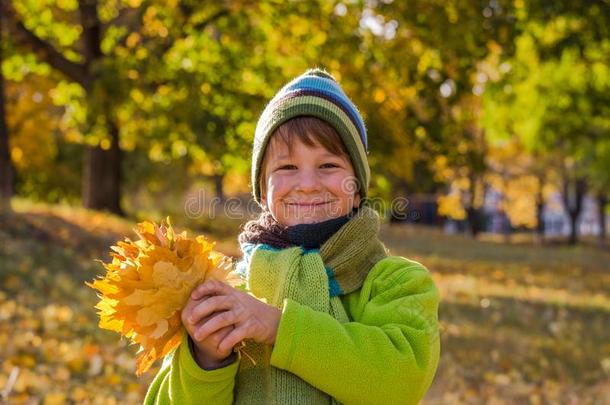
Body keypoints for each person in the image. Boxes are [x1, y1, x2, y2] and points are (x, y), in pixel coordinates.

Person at [144, 68, 440, 404]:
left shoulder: (396, 282)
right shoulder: (229, 292)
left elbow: (399, 382)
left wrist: (278, 326)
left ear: (357, 188)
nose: (308, 184)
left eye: (328, 165)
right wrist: (206, 360)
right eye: (286, 168)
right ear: (263, 190)